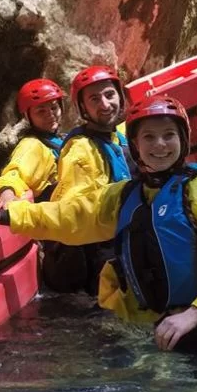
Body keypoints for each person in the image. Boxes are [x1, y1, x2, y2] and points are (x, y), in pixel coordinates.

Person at [0, 95, 197, 353]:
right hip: (163, 329)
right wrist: (5, 215)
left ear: (183, 141)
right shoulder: (124, 197)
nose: (160, 145)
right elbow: (69, 217)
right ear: (136, 146)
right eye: (149, 137)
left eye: (169, 135)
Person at [40, 65, 134, 295]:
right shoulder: (81, 149)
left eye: (110, 95)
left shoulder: (116, 136)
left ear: (120, 97)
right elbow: (73, 206)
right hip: (101, 258)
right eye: (94, 99)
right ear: (83, 108)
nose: (104, 104)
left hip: (121, 244)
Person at [0, 78, 66, 209]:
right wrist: (7, 194)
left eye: (54, 107)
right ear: (27, 116)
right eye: (41, 111)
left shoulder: (62, 139)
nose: (50, 115)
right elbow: (13, 174)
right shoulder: (32, 145)